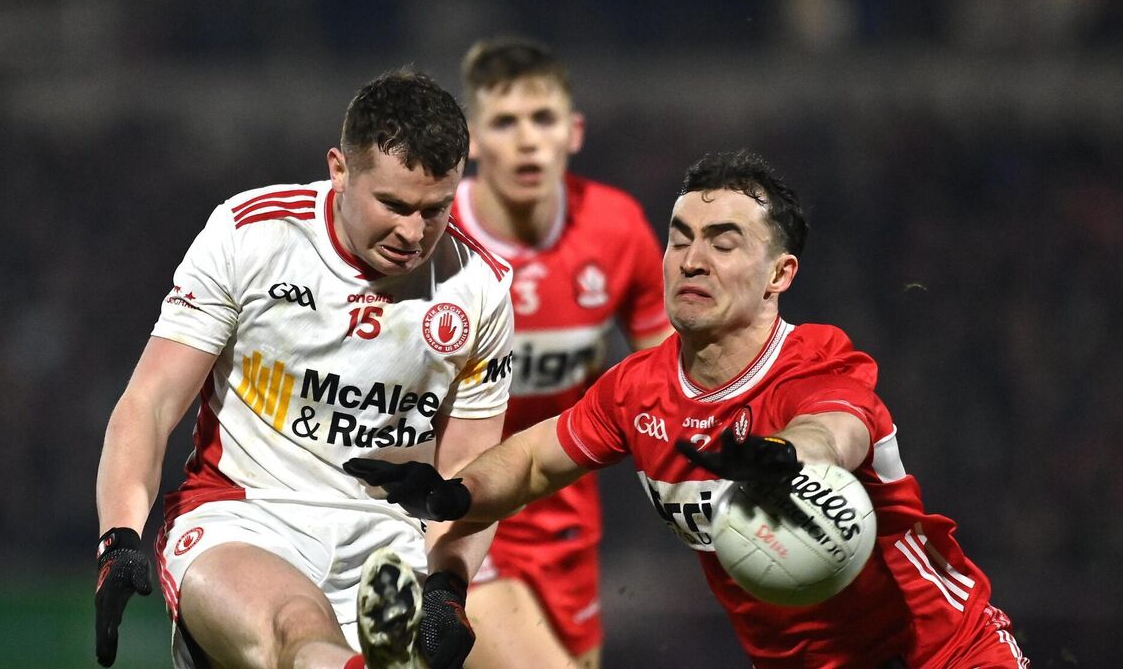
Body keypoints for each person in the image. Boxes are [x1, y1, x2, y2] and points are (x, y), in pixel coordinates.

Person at [344, 150, 1030, 667]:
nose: (691, 260)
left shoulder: (817, 360)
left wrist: (787, 459)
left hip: (947, 654)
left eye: (723, 243)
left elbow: (836, 430)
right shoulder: (638, 388)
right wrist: (455, 492)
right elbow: (530, 462)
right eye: (679, 238)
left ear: (780, 275)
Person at [94, 69, 514, 669]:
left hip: (386, 555)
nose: (412, 233)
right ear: (339, 170)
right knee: (295, 624)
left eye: (435, 210)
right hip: (242, 519)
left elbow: (467, 474)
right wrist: (119, 536)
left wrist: (448, 587)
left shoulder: (480, 290)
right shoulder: (253, 235)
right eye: (393, 205)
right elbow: (150, 403)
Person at [451, 37, 673, 669]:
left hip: (565, 521)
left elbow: (672, 382)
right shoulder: (432, 237)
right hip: (457, 517)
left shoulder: (616, 228)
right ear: (472, 139)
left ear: (573, 132)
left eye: (543, 119)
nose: (528, 141)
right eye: (505, 122)